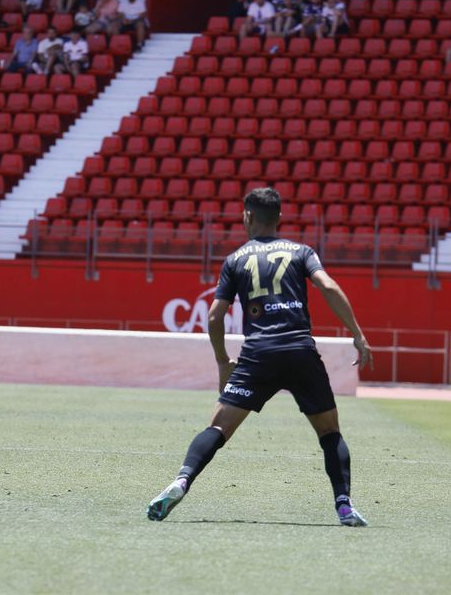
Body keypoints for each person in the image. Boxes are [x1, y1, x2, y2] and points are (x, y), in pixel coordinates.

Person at [144, 186, 374, 527]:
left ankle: (181, 481)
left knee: (219, 427)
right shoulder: (301, 252)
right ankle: (343, 505)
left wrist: (224, 362)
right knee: (329, 433)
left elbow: (213, 317)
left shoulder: (235, 259)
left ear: (247, 216)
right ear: (279, 218)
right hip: (298, 349)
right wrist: (357, 334)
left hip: (258, 354)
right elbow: (327, 286)